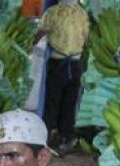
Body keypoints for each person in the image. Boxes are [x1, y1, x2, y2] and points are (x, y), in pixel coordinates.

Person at [34, 0, 89, 154]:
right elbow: (86, 38)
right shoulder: (82, 13)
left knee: (52, 102)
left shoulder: (52, 12)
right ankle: (66, 137)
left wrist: (33, 44)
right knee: (69, 103)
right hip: (75, 64)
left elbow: (41, 32)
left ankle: (46, 136)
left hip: (58, 63)